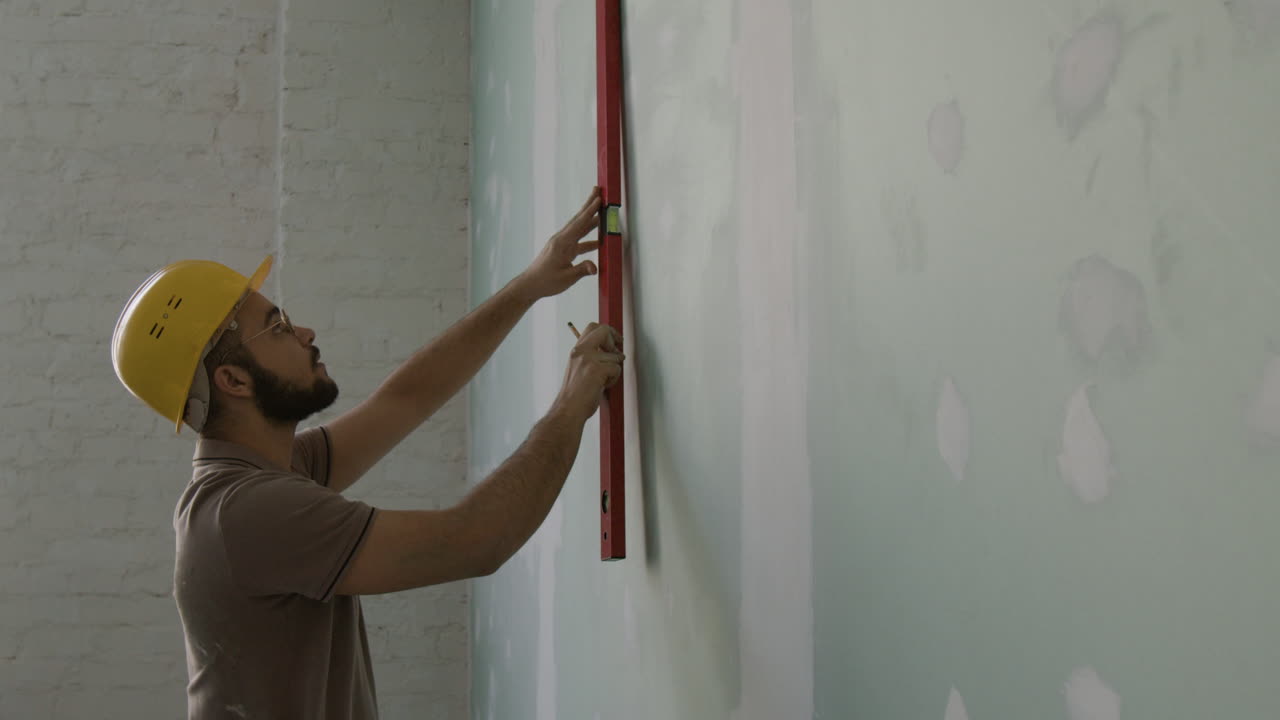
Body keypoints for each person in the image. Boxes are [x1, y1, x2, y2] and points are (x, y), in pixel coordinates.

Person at [110, 188, 623, 719]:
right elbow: (477, 541)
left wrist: (529, 285)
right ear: (234, 379)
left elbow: (405, 400)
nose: (304, 331)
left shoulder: (265, 476)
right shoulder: (246, 513)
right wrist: (570, 405)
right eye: (279, 327)